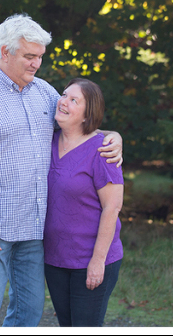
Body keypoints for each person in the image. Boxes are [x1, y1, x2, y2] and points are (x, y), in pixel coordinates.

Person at [0, 14, 123, 327]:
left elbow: (80, 126)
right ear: (5, 52)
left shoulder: (45, 93)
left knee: (28, 315)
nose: (36, 63)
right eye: (29, 56)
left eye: (40, 56)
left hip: (34, 233)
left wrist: (113, 137)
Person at [43, 77, 124, 327]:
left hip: (90, 259)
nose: (63, 101)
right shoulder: (48, 140)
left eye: (73, 100)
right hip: (55, 259)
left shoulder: (103, 150)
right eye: (64, 95)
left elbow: (112, 208)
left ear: (87, 115)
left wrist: (97, 261)